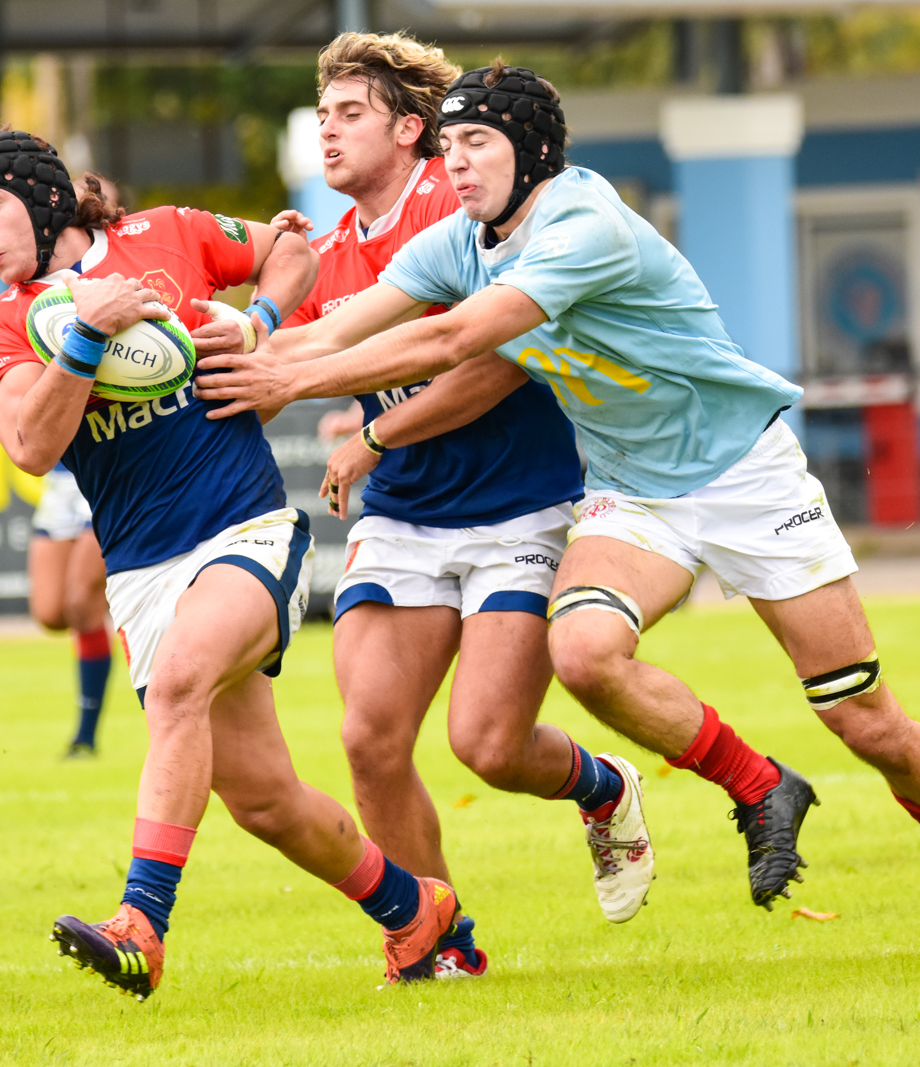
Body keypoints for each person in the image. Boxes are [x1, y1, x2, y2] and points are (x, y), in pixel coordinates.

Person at [194, 61, 920, 953]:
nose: (457, 163)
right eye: (451, 144)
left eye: (479, 143)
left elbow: (455, 336)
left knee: (866, 720)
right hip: (632, 488)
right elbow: (349, 326)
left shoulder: (582, 221)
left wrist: (296, 378)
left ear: (533, 151)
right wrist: (231, 344)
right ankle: (759, 784)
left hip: (745, 475)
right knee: (581, 653)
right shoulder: (462, 239)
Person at [0, 124, 461, 999]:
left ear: (45, 202)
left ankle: (141, 924)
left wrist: (258, 319)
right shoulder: (2, 325)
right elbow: (32, 446)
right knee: (267, 802)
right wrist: (85, 337)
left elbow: (290, 249)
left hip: (245, 527)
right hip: (143, 572)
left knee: (186, 679)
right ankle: (413, 910)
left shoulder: (169, 235)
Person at [272, 32, 653, 979]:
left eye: (349, 113)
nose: (328, 131)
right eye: (321, 116)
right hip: (403, 515)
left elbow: (487, 366)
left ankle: (602, 785)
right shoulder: (325, 251)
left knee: (487, 743)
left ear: (411, 129)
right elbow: (291, 349)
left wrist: (371, 435)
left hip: (519, 505)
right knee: (368, 737)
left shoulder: (462, 213)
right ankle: (439, 943)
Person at [27, 461, 114, 757]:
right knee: (50, 614)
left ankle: (85, 737)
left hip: (109, 467)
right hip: (61, 477)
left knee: (81, 600)